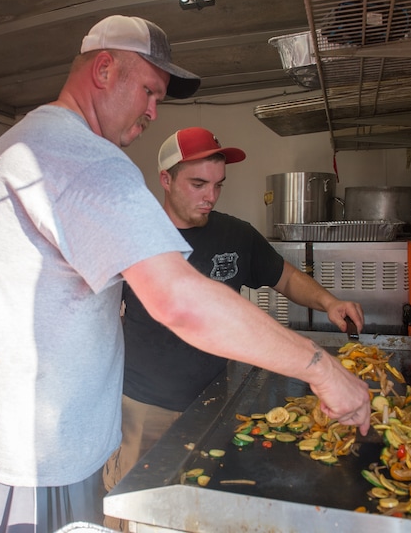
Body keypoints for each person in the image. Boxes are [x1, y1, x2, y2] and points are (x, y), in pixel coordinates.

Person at [0, 15, 370, 533]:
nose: (151, 110)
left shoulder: (17, 146)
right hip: (29, 458)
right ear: (103, 69)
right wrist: (321, 368)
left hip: (6, 445)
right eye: (148, 90)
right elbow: (180, 301)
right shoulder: (85, 159)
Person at [103, 127, 366, 500]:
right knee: (135, 505)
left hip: (213, 404)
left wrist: (329, 302)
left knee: (197, 504)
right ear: (166, 179)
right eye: (198, 184)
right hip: (145, 409)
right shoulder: (136, 235)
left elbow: (285, 276)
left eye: (218, 185)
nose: (210, 197)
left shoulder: (235, 234)